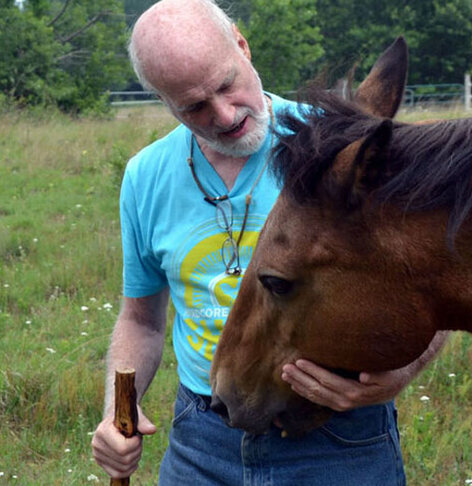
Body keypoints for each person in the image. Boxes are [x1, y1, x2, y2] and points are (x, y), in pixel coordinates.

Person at [90, 0, 447, 483]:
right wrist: (119, 412)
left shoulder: (341, 149)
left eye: (226, 85)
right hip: (201, 438)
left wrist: (402, 374)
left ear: (242, 45)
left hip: (334, 437)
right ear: (163, 101)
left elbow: (439, 286)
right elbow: (141, 321)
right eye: (193, 106)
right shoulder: (145, 176)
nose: (224, 114)